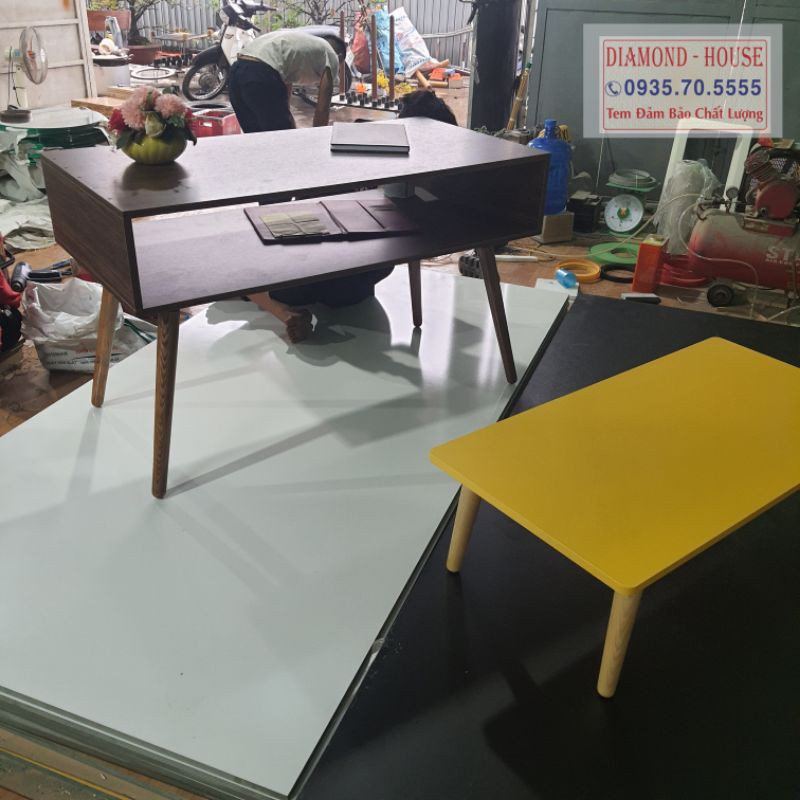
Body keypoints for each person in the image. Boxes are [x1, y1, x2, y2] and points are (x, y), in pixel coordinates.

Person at [230, 40, 457, 341]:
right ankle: (274, 294)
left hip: (344, 264)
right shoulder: (420, 170)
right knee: (333, 281)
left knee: (284, 277)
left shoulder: (380, 150)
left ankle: (272, 298)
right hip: (358, 264)